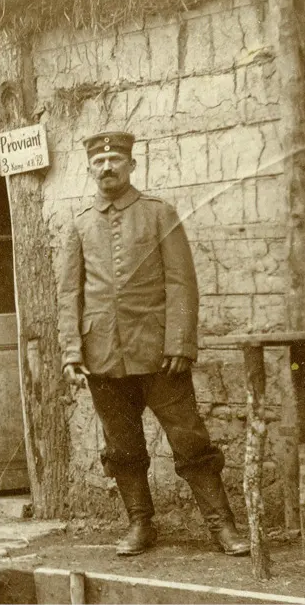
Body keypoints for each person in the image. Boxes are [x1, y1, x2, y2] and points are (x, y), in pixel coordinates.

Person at [57, 131, 250, 557]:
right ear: (90, 169)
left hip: (160, 356)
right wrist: (72, 352)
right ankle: (140, 525)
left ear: (132, 166)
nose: (107, 168)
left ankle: (224, 527)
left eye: (115, 161)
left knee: (191, 442)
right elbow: (70, 293)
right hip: (103, 358)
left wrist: (180, 343)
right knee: (122, 449)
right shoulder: (81, 224)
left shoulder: (160, 213)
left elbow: (182, 282)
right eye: (99, 163)